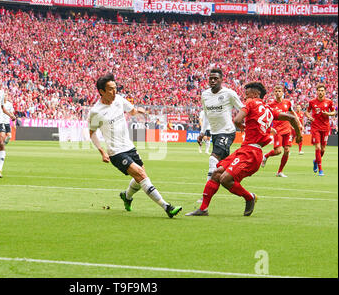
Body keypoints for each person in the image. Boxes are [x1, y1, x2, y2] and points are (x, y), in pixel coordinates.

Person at [186, 82, 302, 217]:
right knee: (216, 173)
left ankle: (249, 197)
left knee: (225, 179)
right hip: (247, 151)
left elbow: (236, 120)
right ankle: (203, 208)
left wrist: (241, 125)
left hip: (250, 153)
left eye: (247, 95)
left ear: (256, 94)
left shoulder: (251, 103)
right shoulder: (269, 109)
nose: (245, 98)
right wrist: (299, 135)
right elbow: (292, 117)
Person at [89, 74, 182, 218]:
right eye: (110, 90)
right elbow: (92, 133)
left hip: (129, 147)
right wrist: (102, 151)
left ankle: (126, 196)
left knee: (140, 180)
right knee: (142, 175)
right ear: (101, 91)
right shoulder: (96, 111)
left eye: (115, 88)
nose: (114, 92)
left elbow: (131, 110)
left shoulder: (119, 100)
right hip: (116, 152)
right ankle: (167, 207)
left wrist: (137, 111)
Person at [197, 68, 244, 185]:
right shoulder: (205, 95)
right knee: (222, 168)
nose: (212, 81)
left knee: (213, 160)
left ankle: (205, 196)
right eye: (211, 78)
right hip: (215, 133)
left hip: (227, 132)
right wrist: (202, 132)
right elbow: (207, 114)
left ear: (221, 80)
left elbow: (243, 108)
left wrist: (244, 123)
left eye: (215, 79)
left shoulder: (229, 93)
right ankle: (242, 190)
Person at [261, 85, 301, 177]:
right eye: (276, 91)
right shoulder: (270, 105)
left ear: (283, 93)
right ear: (274, 92)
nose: (278, 93)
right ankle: (266, 156)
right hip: (277, 130)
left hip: (287, 130)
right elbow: (266, 116)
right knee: (278, 151)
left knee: (287, 151)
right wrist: (269, 127)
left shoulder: (287, 103)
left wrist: (297, 120)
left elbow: (291, 112)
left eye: (280, 91)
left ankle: (279, 171)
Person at [305, 83, 335, 176]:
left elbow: (333, 112)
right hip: (315, 127)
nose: (320, 92)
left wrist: (328, 114)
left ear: (325, 92)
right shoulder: (312, 102)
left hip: (325, 127)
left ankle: (316, 161)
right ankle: (320, 169)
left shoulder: (329, 101)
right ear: (316, 92)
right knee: (317, 147)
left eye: (322, 91)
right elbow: (307, 112)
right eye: (319, 90)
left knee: (323, 149)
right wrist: (309, 117)